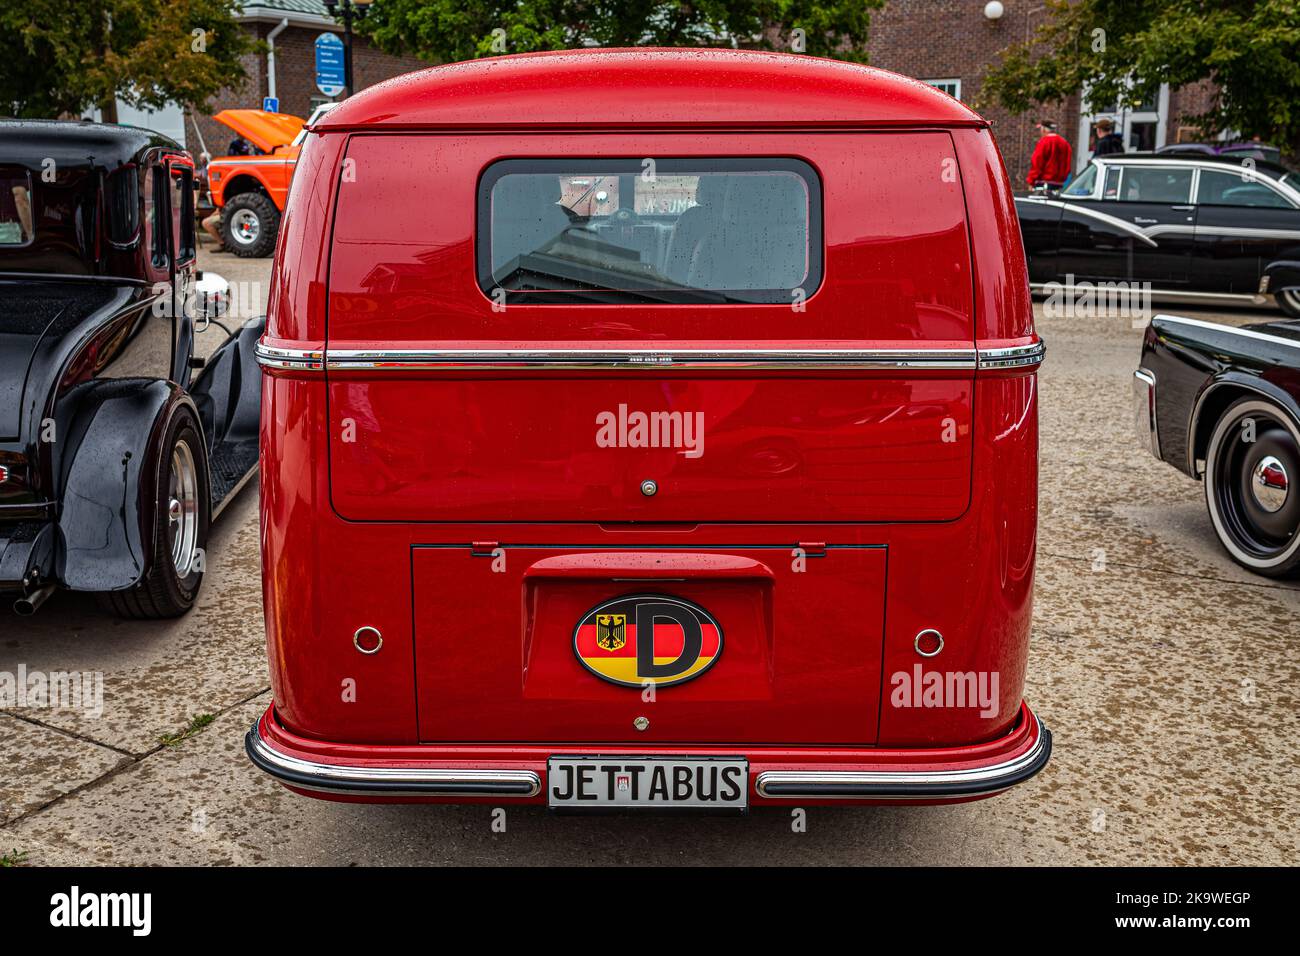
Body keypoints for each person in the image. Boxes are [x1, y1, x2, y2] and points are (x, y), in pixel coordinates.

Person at [1026, 119, 1072, 189]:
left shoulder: (1044, 142)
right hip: (1059, 185)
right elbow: (1068, 164)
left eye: (1040, 129)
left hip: (1043, 183)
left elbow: (1037, 163)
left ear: (1044, 129)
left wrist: (1031, 181)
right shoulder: (1065, 143)